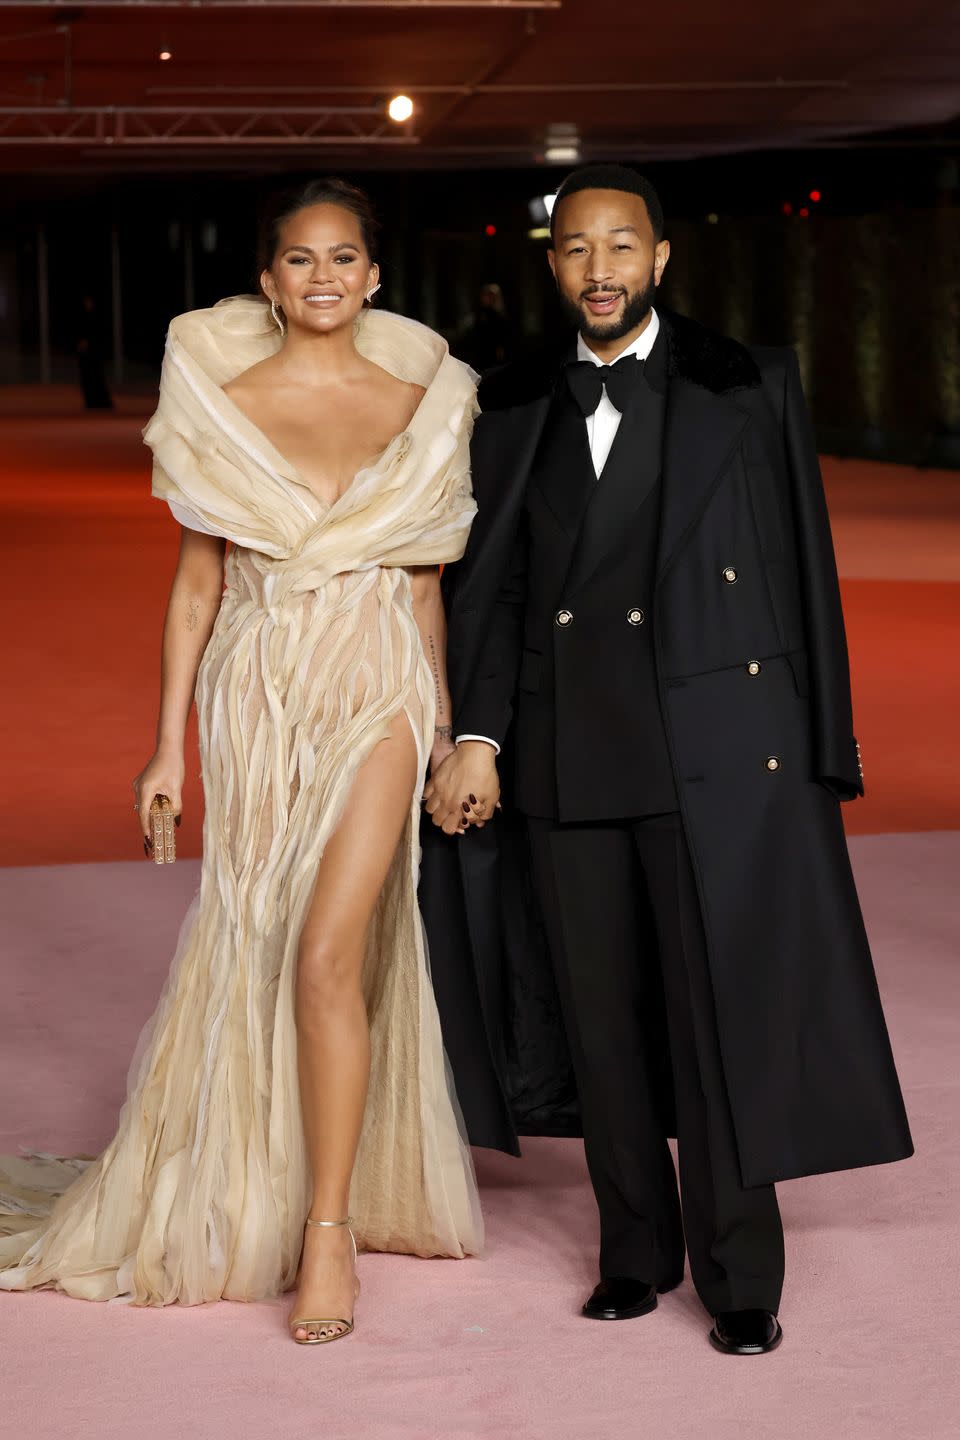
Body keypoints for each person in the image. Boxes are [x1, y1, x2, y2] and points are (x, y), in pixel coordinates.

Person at [424, 163, 913, 1354]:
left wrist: (821, 751)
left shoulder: (748, 383)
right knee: (602, 1024)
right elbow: (492, 595)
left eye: (621, 247)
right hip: (564, 755)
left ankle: (742, 1277)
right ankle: (633, 1255)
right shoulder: (510, 401)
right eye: (577, 250)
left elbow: (805, 570)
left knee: (716, 1018)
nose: (600, 269)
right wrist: (477, 734)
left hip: (713, 753)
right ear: (554, 266)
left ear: (660, 258)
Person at [0, 178, 482, 1343]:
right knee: (259, 935)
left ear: (376, 276)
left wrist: (451, 735)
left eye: (345, 258)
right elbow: (198, 586)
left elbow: (424, 588)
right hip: (258, 696)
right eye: (301, 261)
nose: (324, 277)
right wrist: (167, 748)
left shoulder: (426, 398)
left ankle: (327, 1236)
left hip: (376, 688)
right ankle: (277, 1177)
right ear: (267, 282)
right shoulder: (221, 399)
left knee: (327, 950)